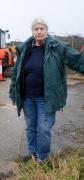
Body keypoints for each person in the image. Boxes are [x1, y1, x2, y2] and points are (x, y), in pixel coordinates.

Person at [9, 19, 84, 162]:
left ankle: (42, 159)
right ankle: (33, 154)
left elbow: (76, 60)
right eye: (36, 29)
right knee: (31, 128)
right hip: (27, 98)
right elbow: (15, 73)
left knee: (43, 130)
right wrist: (13, 93)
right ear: (32, 32)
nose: (39, 31)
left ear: (47, 30)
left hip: (47, 98)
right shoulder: (25, 49)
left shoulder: (57, 46)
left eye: (42, 28)